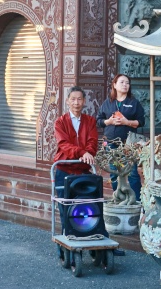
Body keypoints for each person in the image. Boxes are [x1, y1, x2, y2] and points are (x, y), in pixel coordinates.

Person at [52, 87, 103, 237]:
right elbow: (63, 144)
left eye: (79, 99)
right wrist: (82, 152)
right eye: (73, 99)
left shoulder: (90, 121)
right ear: (67, 101)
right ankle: (67, 238)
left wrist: (88, 152)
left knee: (91, 206)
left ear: (84, 101)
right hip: (64, 170)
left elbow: (93, 143)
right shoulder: (60, 122)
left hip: (83, 171)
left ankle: (97, 237)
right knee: (65, 208)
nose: (76, 103)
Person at [96, 73, 146, 201]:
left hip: (128, 144)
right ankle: (119, 198)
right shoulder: (108, 103)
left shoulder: (133, 103)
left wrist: (126, 122)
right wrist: (109, 121)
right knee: (114, 173)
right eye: (122, 82)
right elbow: (99, 120)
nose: (125, 85)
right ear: (114, 85)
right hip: (111, 143)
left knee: (133, 173)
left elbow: (141, 122)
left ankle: (137, 201)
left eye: (127, 83)